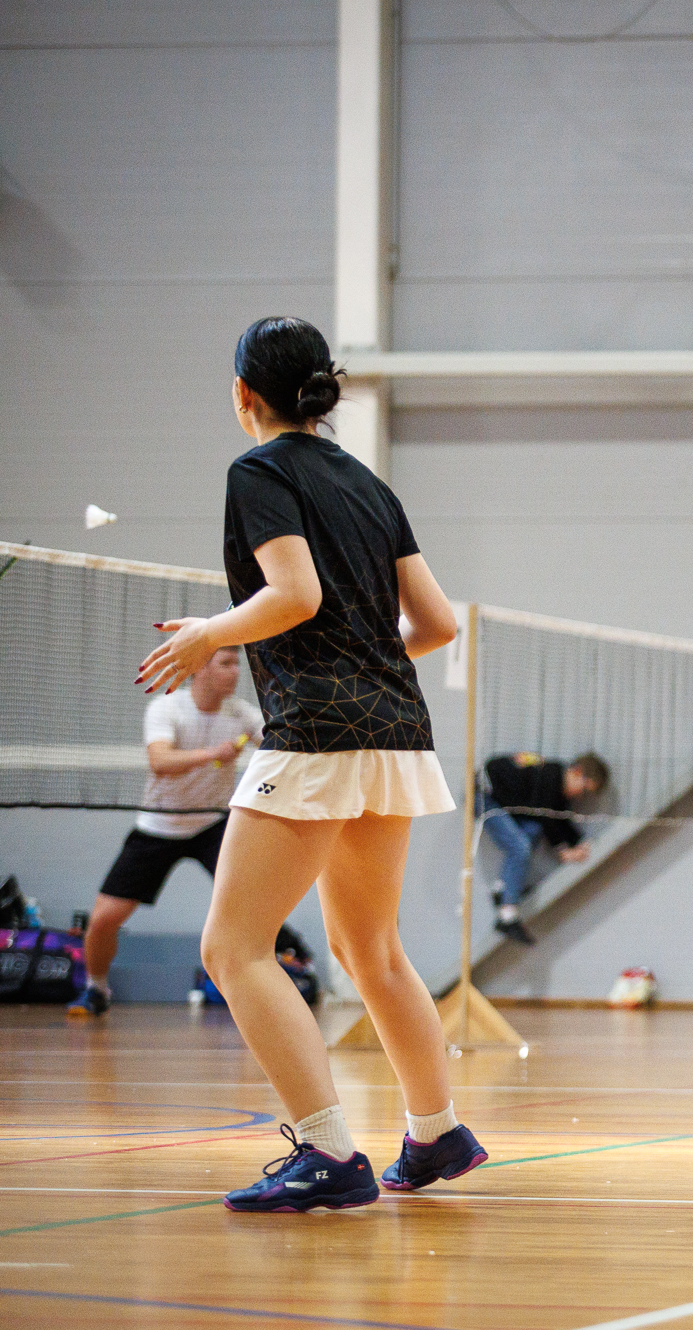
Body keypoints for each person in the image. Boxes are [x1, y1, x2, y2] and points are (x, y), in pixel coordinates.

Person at [138, 316, 486, 1212]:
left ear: (243, 394)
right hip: (396, 729)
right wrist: (366, 664)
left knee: (232, 947)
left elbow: (295, 595)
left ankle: (327, 1151)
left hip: (318, 732)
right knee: (371, 950)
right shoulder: (369, 484)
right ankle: (437, 1131)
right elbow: (438, 625)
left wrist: (209, 633)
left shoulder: (258, 471)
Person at [69, 647, 261, 1017]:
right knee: (103, 920)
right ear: (200, 669)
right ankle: (96, 988)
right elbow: (160, 761)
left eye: (237, 664)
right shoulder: (167, 708)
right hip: (159, 825)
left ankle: (258, 990)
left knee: (254, 907)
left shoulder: (241, 714)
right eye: (225, 664)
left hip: (213, 824)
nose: (235, 672)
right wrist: (213, 754)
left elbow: (280, 744)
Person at [479, 751, 610, 945]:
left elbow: (559, 820)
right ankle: (507, 917)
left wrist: (580, 842)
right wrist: (564, 851)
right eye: (583, 790)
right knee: (520, 846)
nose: (581, 797)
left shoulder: (557, 786)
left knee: (532, 831)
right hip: (485, 795)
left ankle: (503, 888)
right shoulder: (552, 775)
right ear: (576, 772)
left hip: (503, 801)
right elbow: (547, 817)